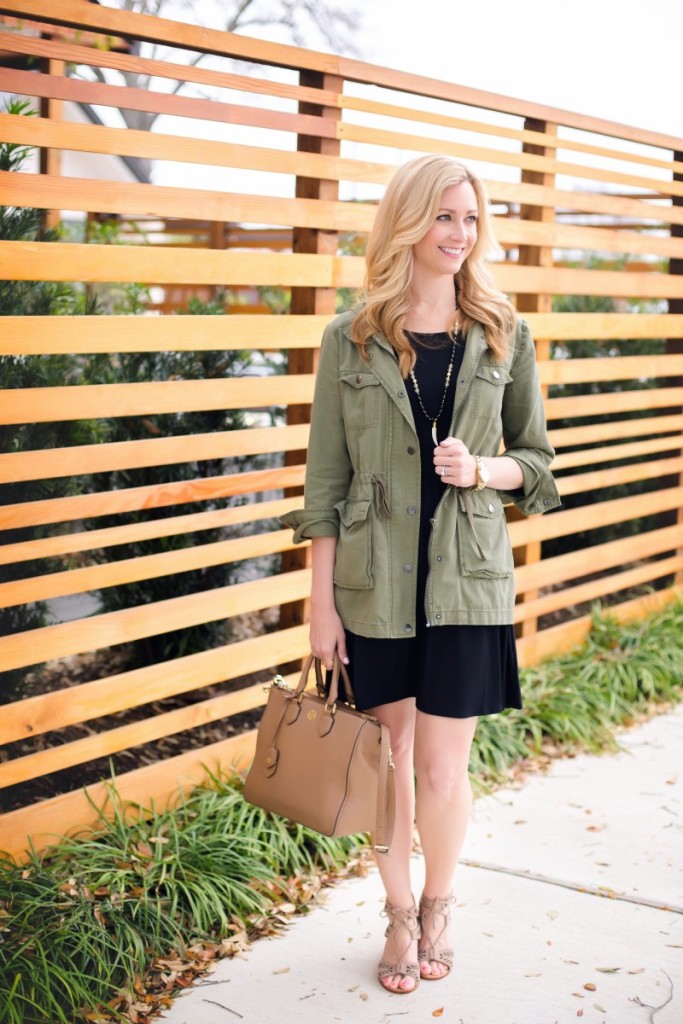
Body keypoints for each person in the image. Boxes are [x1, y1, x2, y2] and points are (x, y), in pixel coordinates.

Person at [281, 153, 561, 994]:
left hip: (466, 581)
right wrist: (318, 605)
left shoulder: (502, 332)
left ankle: (438, 903)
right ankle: (397, 918)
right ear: (407, 221)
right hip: (373, 582)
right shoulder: (350, 337)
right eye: (443, 216)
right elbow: (324, 485)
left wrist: (483, 470)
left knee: (442, 768)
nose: (459, 234)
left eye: (470, 219)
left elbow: (539, 468)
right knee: (389, 759)